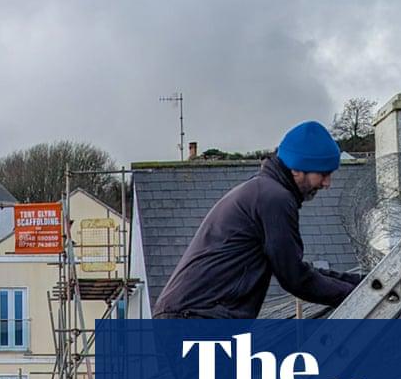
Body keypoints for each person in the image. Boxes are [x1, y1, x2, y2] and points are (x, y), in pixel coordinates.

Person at [153, 120, 362, 319]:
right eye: (323, 174)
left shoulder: (261, 191)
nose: (327, 183)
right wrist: (358, 295)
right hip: (198, 318)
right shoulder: (274, 198)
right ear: (297, 168)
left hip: (189, 314)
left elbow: (297, 268)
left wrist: (359, 283)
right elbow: (295, 278)